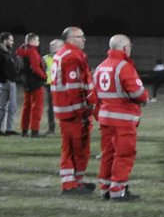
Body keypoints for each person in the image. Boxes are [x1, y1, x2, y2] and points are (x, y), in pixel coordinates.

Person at [91, 34, 149, 201]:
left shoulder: (100, 67)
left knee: (108, 153)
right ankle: (118, 190)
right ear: (124, 48)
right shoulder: (124, 66)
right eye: (129, 46)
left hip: (105, 118)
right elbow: (137, 92)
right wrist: (144, 98)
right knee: (124, 154)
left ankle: (105, 188)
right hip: (123, 118)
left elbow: (95, 96)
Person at [48, 27, 94, 195]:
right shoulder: (72, 56)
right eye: (80, 37)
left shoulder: (62, 54)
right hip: (72, 110)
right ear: (70, 39)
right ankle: (71, 184)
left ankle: (74, 181)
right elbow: (74, 88)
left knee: (69, 148)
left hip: (64, 108)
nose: (84, 40)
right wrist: (82, 111)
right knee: (78, 148)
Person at [0, 32, 19, 136]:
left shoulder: (7, 52)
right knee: (2, 106)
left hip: (10, 82)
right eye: (11, 40)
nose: (12, 42)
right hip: (5, 83)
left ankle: (9, 129)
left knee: (12, 107)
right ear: (5, 41)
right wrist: (4, 80)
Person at [16, 32, 45, 136]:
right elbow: (35, 68)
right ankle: (34, 130)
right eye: (37, 40)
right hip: (35, 80)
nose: (38, 42)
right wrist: (44, 76)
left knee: (27, 106)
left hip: (25, 80)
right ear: (32, 41)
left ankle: (24, 130)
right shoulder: (32, 51)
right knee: (37, 106)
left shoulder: (20, 50)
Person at [43, 38, 60, 134]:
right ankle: (51, 127)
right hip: (49, 85)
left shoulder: (64, 56)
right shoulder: (45, 58)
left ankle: (66, 127)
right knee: (50, 108)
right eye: (50, 46)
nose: (51, 47)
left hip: (61, 85)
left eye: (54, 45)